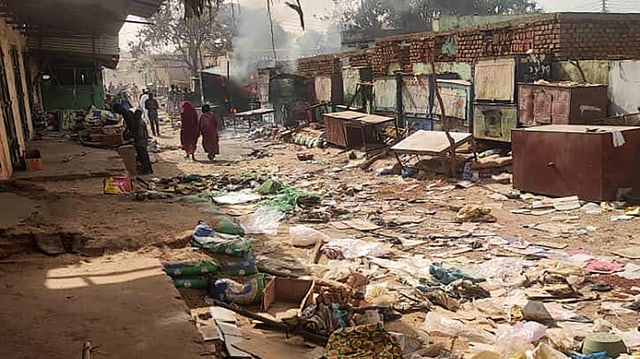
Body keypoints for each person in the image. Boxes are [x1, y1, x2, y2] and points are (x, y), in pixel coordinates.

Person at [113, 104, 153, 175]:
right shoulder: (137, 120)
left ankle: (147, 170)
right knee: (143, 155)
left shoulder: (138, 122)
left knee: (143, 154)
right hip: (141, 139)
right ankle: (147, 169)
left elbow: (136, 132)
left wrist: (130, 136)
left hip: (141, 140)